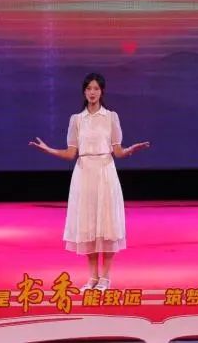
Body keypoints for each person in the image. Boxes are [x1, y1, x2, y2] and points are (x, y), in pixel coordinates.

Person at [29, 72, 150, 292]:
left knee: (107, 225)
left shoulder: (111, 117)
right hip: (84, 174)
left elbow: (118, 151)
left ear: (102, 91)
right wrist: (48, 150)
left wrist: (131, 150)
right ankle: (93, 276)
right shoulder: (76, 119)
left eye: (96, 88)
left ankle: (106, 277)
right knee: (89, 225)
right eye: (88, 89)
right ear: (84, 92)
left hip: (105, 173)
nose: (92, 92)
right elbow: (70, 154)